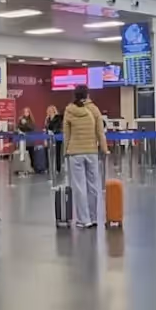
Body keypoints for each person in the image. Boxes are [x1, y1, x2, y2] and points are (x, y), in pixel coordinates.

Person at [62, 86, 108, 228]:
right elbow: (100, 133)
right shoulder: (94, 110)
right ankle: (94, 218)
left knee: (79, 186)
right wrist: (104, 149)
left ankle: (84, 219)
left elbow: (66, 134)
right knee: (93, 185)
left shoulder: (69, 110)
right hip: (91, 151)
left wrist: (66, 151)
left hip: (75, 153)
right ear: (88, 95)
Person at [44, 104, 64, 174]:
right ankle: (49, 168)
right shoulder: (47, 119)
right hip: (49, 138)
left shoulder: (58, 118)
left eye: (51, 110)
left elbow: (59, 127)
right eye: (48, 111)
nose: (49, 112)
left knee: (57, 153)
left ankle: (58, 169)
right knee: (49, 153)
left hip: (57, 137)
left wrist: (53, 131)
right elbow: (46, 129)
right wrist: (45, 139)